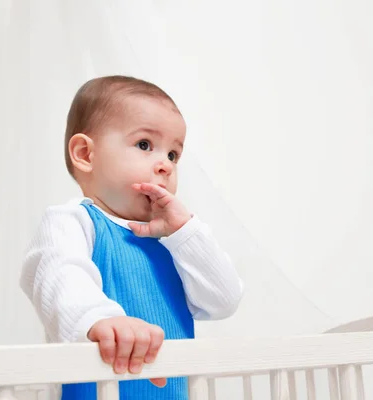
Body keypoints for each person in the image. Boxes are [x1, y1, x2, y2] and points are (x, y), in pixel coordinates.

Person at [20, 75, 244, 400]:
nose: (165, 166)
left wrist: (186, 231)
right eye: (144, 145)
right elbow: (60, 276)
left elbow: (224, 300)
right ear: (85, 153)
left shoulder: (172, 243)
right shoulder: (72, 221)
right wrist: (101, 320)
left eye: (173, 155)